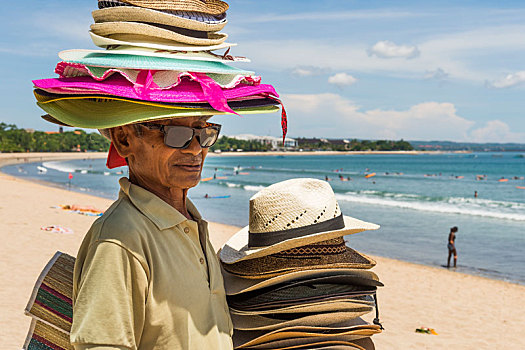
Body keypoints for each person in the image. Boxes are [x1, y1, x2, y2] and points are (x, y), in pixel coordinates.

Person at [71, 116, 233, 350]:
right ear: (124, 139)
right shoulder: (121, 238)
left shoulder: (190, 222)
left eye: (203, 132)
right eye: (175, 134)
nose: (196, 148)